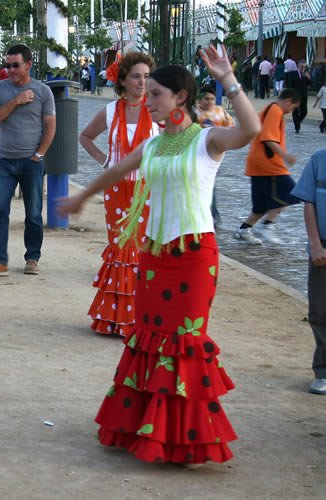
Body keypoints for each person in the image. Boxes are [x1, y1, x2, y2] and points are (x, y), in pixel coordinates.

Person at [58, 45, 261, 465]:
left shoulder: (207, 140)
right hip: (153, 256)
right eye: (145, 92)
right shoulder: (152, 146)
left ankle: (182, 437)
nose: (145, 100)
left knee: (184, 343)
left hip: (192, 256)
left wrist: (227, 79)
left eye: (155, 94)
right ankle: (144, 428)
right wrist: (81, 197)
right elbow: (115, 171)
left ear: (179, 98)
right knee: (149, 340)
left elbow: (251, 129)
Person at [78, 51, 158, 336]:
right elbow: (85, 136)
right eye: (136, 76)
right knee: (122, 250)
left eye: (147, 77)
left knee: (142, 250)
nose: (142, 82)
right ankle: (116, 318)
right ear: (122, 80)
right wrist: (105, 161)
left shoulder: (158, 111)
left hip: (148, 189)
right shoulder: (111, 111)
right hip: (116, 190)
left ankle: (140, 317)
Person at [0, 44, 56, 278]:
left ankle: (32, 257)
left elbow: (50, 127)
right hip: (4, 161)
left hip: (31, 162)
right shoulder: (0, 89)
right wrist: (16, 101)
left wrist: (39, 155)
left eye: (16, 65)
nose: (11, 69)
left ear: (28, 65)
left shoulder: (43, 92)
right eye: (8, 65)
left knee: (33, 213)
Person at [233, 89, 302, 245]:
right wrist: (286, 156)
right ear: (289, 101)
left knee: (261, 204)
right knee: (291, 192)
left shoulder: (270, 109)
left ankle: (244, 230)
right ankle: (267, 225)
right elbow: (268, 139)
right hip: (268, 164)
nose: (291, 111)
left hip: (258, 163)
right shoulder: (275, 111)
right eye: (293, 107)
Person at [291, 149, 326, 395]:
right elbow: (309, 202)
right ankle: (322, 372)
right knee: (319, 312)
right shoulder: (318, 160)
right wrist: (315, 245)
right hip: (321, 249)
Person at [197, 85, 235, 226]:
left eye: (212, 99)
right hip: (196, 154)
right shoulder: (192, 113)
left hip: (214, 156)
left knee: (210, 183)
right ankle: (207, 213)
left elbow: (232, 128)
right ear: (199, 100)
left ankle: (212, 213)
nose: (209, 102)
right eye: (206, 99)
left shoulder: (220, 112)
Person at [292, 60, 311, 133]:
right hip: (295, 96)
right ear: (298, 66)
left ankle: (297, 122)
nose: (303, 68)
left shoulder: (306, 74)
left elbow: (310, 84)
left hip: (304, 95)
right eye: (302, 66)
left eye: (304, 67)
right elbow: (290, 85)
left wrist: (309, 77)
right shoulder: (293, 73)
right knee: (295, 112)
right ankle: (297, 127)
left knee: (304, 111)